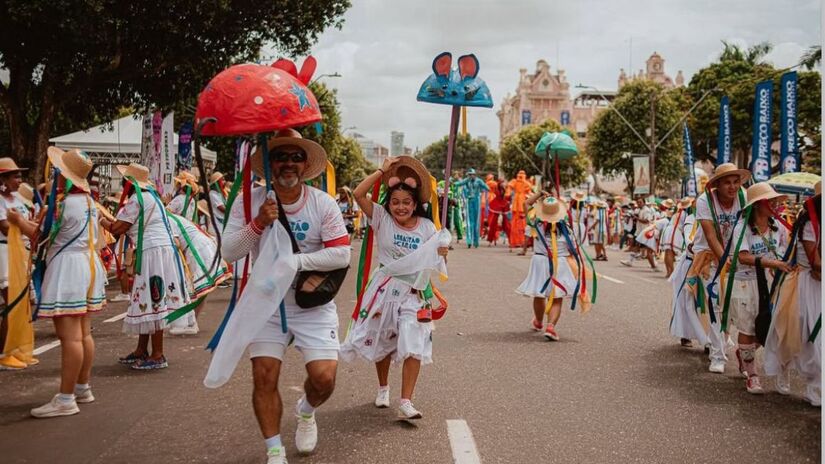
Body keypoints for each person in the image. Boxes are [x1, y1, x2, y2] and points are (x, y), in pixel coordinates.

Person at [219, 129, 350, 463]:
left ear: (305, 165)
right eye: (281, 157)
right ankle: (274, 449)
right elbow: (230, 252)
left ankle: (306, 411)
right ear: (269, 163)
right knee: (264, 375)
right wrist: (259, 223)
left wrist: (294, 262)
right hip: (266, 303)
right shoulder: (249, 200)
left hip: (311, 301)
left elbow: (341, 255)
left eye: (296, 157)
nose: (288, 163)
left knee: (324, 379)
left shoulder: (322, 203)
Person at [342, 156, 448, 421]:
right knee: (384, 340)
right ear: (388, 204)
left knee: (413, 341)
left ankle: (406, 401)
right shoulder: (381, 217)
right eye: (396, 202)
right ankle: (382, 387)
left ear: (415, 205)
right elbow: (358, 193)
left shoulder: (427, 227)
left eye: (407, 202)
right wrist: (381, 170)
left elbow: (435, 260)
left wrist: (443, 250)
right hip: (384, 290)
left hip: (413, 293)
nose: (401, 207)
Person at [18, 149, 108, 417]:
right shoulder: (91, 203)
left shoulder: (62, 205)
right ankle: (82, 387)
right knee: (83, 333)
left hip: (68, 269)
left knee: (70, 338)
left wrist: (17, 221)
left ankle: (66, 398)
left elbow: (39, 236)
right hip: (88, 267)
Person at [100, 163, 191, 370]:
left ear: (129, 183)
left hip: (153, 253)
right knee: (148, 300)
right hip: (158, 251)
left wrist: (101, 220)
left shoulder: (136, 200)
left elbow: (118, 229)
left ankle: (158, 354)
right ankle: (142, 349)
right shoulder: (152, 198)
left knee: (154, 299)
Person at [687, 163, 749, 374]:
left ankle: (724, 340)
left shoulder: (744, 197)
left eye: (736, 182)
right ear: (717, 185)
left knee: (733, 306)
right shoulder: (705, 201)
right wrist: (723, 260)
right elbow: (711, 235)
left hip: (736, 255)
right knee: (715, 305)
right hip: (710, 257)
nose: (732, 187)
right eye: (727, 183)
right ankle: (717, 355)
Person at [729, 182, 791, 394]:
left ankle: (744, 354)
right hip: (746, 282)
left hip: (771, 283)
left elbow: (785, 252)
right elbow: (744, 257)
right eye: (769, 201)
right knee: (747, 328)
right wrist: (773, 263)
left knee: (769, 326)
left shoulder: (779, 227)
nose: (774, 204)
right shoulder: (741, 228)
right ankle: (752, 375)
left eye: (775, 200)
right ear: (757, 205)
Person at [764, 181, 821, 405]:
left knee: (816, 340)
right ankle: (784, 369)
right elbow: (816, 264)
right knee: (797, 335)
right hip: (805, 285)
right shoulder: (809, 225)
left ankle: (815, 387)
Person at [517, 192, 590, 342]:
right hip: (561, 263)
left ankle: (538, 321)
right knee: (557, 296)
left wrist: (539, 194)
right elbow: (574, 250)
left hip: (539, 261)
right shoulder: (568, 229)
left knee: (539, 293)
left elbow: (525, 204)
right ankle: (550, 326)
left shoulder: (536, 224)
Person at [167, 208, 231, 335]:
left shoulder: (167, 220)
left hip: (198, 249)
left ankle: (191, 323)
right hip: (202, 245)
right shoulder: (173, 217)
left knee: (198, 288)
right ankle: (192, 322)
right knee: (200, 289)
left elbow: (176, 242)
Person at [0, 158, 35, 370]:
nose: (19, 180)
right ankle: (4, 352)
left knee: (23, 305)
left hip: (19, 251)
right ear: (2, 179)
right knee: (12, 304)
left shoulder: (17, 199)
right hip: (4, 252)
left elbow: (24, 222)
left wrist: (34, 227)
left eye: (20, 176)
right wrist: (27, 227)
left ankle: (15, 349)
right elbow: (5, 227)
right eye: (15, 176)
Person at [454, 168, 489, 248]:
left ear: (474, 174)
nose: (470, 176)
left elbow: (486, 187)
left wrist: (485, 188)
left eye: (472, 174)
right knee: (469, 222)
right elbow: (459, 183)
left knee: (476, 222)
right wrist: (453, 183)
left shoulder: (479, 181)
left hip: (477, 201)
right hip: (469, 202)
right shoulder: (467, 180)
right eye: (469, 175)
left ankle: (476, 241)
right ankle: (469, 240)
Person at [508, 171, 532, 251]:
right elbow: (529, 190)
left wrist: (508, 194)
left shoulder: (514, 181)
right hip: (521, 203)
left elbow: (508, 188)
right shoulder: (526, 183)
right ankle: (521, 241)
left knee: (515, 223)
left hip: (517, 203)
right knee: (522, 223)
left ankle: (515, 241)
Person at [486, 179, 510, 246]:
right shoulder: (497, 189)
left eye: (504, 183)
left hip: (504, 204)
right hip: (496, 204)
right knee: (493, 224)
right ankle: (490, 240)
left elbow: (507, 195)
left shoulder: (505, 189)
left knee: (507, 224)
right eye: (502, 183)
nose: (504, 184)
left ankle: (511, 241)